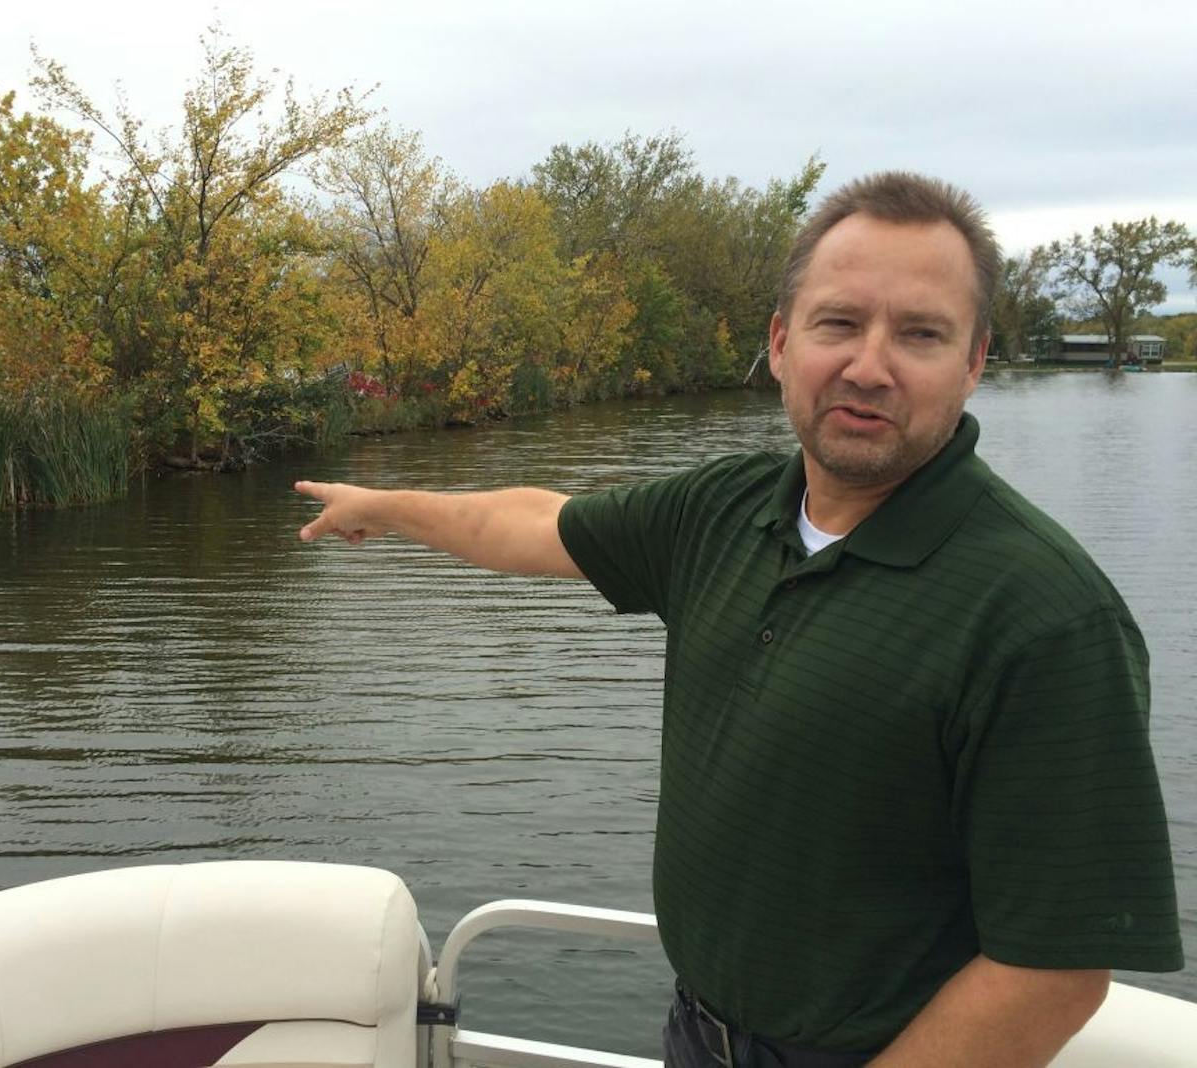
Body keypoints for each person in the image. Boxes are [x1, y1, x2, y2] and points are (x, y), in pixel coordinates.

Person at [294, 172, 1183, 1067]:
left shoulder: (1045, 615)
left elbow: (1055, 972)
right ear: (783, 342)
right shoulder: (728, 509)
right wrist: (389, 505)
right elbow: (534, 523)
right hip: (697, 1032)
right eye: (839, 323)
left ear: (974, 360)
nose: (869, 366)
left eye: (919, 333)